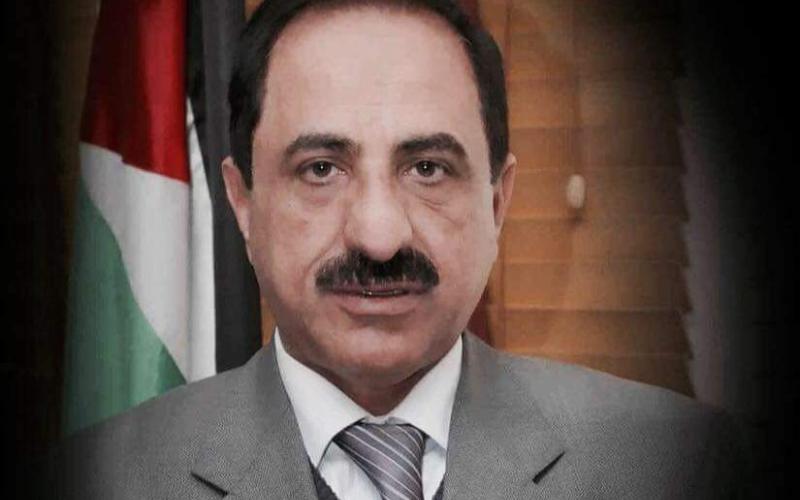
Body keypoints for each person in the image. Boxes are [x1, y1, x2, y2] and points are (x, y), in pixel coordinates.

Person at [42, 0, 747, 498]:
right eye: (321, 168)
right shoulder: (95, 482)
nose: (379, 237)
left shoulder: (690, 466)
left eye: (428, 168)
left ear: (497, 203)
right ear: (243, 203)